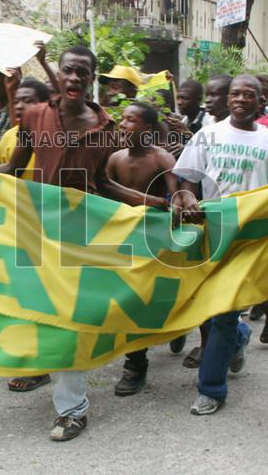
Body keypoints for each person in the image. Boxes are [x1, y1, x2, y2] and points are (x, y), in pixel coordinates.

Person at [0, 44, 144, 441]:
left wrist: (156, 203)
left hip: (80, 235)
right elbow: (12, 167)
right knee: (35, 309)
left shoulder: (105, 128)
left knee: (71, 319)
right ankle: (42, 368)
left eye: (82, 72)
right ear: (60, 73)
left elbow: (103, 183)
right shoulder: (35, 116)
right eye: (68, 69)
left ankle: (72, 409)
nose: (74, 77)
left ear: (91, 79)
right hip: (36, 231)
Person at [172, 75, 268, 415]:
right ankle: (241, 336)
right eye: (236, 94)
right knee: (215, 310)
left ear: (261, 102)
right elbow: (187, 177)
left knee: (222, 313)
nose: (241, 99)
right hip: (214, 234)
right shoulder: (208, 134)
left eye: (249, 95)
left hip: (253, 238)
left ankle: (211, 390)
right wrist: (187, 197)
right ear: (228, 99)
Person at [106, 101, 179, 396]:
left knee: (160, 299)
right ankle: (135, 363)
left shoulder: (162, 159)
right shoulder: (115, 158)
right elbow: (102, 194)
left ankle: (177, 329)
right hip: (123, 242)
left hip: (155, 243)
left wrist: (171, 206)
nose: (123, 125)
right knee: (129, 301)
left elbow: (177, 197)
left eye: (131, 120)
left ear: (147, 128)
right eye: (122, 119)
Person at [0, 76, 46, 179]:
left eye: (28, 101)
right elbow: (7, 173)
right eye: (16, 102)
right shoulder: (8, 137)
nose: (19, 106)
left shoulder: (59, 134)